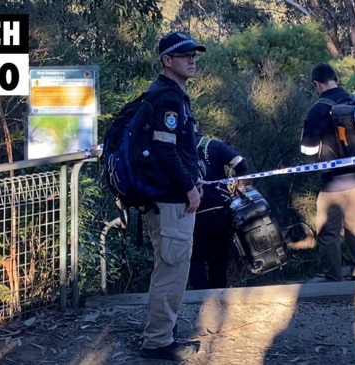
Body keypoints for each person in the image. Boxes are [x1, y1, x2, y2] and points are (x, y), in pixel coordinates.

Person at [139, 32, 205, 362]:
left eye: (194, 54)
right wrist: (189, 188)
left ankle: (164, 330)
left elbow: (178, 148)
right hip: (170, 201)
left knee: (171, 268)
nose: (192, 59)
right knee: (171, 271)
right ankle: (158, 341)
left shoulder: (170, 94)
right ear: (167, 61)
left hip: (168, 197)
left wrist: (195, 176)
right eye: (184, 55)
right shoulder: (167, 98)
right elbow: (165, 151)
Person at [300, 62, 355, 281]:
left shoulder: (317, 110)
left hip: (334, 182)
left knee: (328, 230)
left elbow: (308, 151)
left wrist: (313, 159)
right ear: (335, 79)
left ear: (316, 84)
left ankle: (333, 277)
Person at [189, 121, 249, 290]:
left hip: (190, 212)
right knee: (218, 258)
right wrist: (240, 185)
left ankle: (199, 301)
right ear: (198, 125)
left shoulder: (177, 147)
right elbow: (240, 162)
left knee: (195, 258)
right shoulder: (212, 144)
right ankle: (218, 300)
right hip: (218, 210)